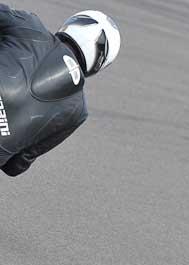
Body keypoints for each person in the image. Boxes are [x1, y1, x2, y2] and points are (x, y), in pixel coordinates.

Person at [0, 7, 121, 176]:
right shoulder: (77, 112)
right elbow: (15, 166)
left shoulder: (29, 25)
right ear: (99, 64)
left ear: (72, 24)